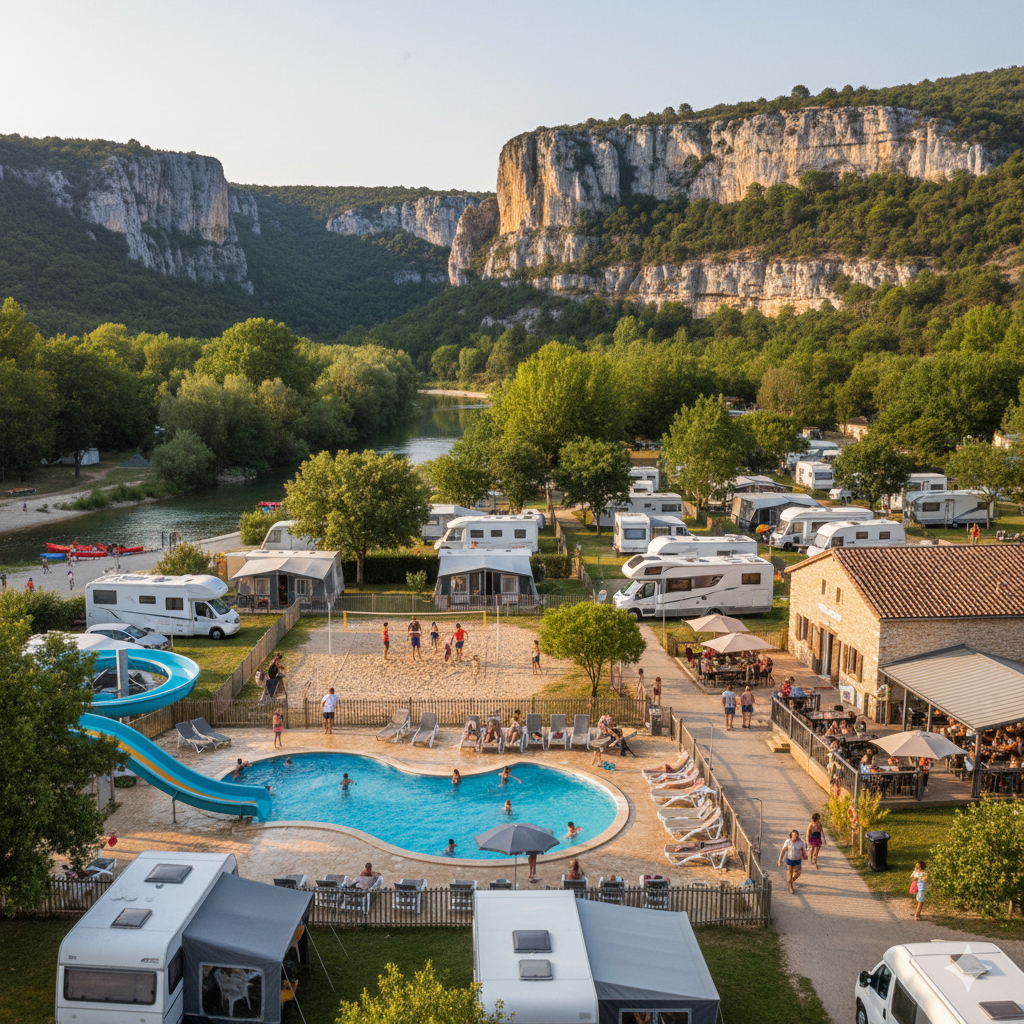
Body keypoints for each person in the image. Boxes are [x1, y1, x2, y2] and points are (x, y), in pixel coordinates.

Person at [778, 829, 808, 893]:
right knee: (790, 874)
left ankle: (792, 881)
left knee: (798, 872)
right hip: (790, 860)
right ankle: (791, 888)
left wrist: (805, 856)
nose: (794, 836)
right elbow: (783, 850)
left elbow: (803, 850)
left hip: (798, 860)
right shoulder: (788, 842)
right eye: (793, 835)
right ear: (791, 835)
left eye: (796, 835)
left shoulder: (800, 842)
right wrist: (780, 859)